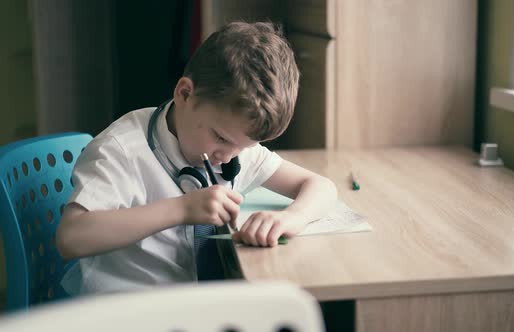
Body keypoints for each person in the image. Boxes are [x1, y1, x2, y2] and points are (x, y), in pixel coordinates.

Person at [56, 22, 337, 295]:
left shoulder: (234, 145)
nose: (228, 156)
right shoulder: (121, 150)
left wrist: (292, 218)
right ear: (185, 94)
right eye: (221, 138)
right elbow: (72, 238)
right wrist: (181, 210)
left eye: (244, 147)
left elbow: (321, 187)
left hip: (195, 308)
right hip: (128, 311)